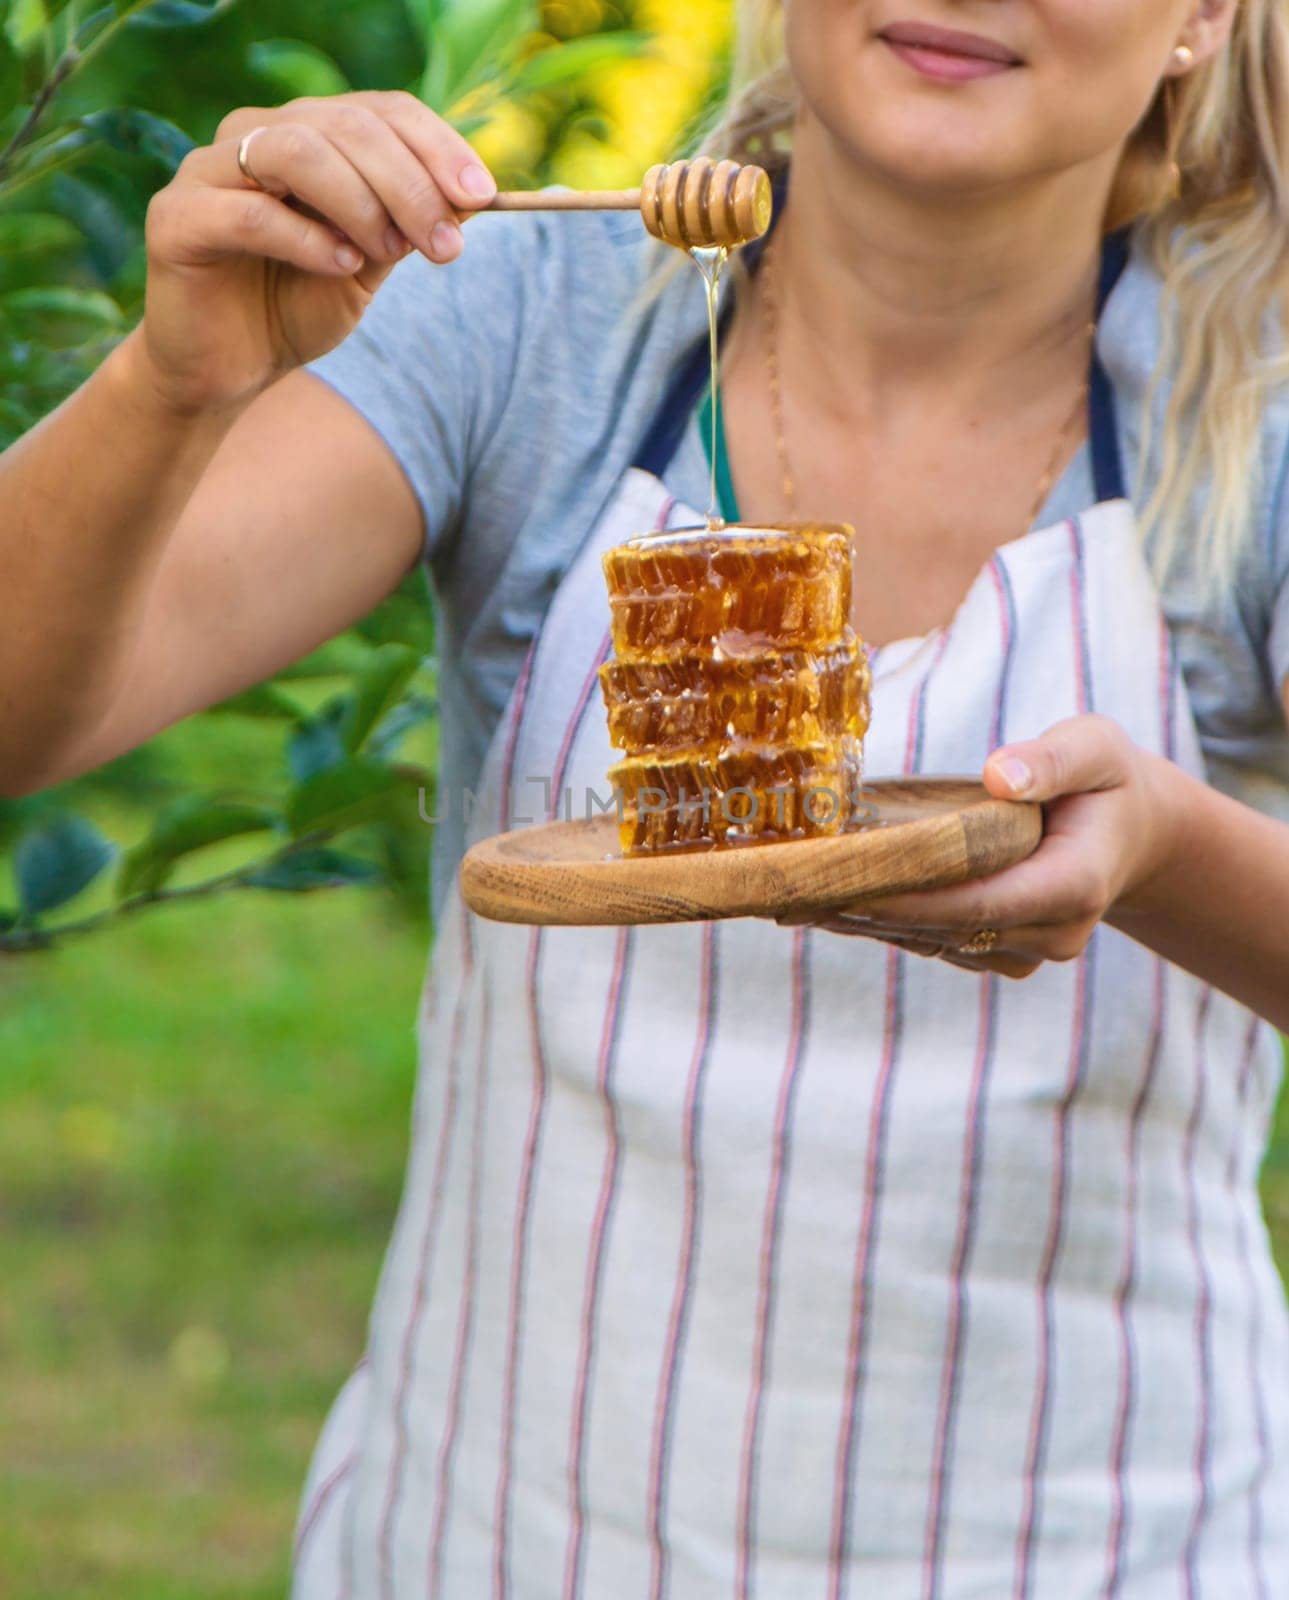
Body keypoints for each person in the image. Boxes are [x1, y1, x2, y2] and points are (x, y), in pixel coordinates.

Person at [1, 0, 1287, 1592]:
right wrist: (167, 384)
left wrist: (1165, 854)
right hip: (494, 1537)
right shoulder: (527, 323)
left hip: (1086, 1546)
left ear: (1204, 19)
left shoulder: (1260, 420)